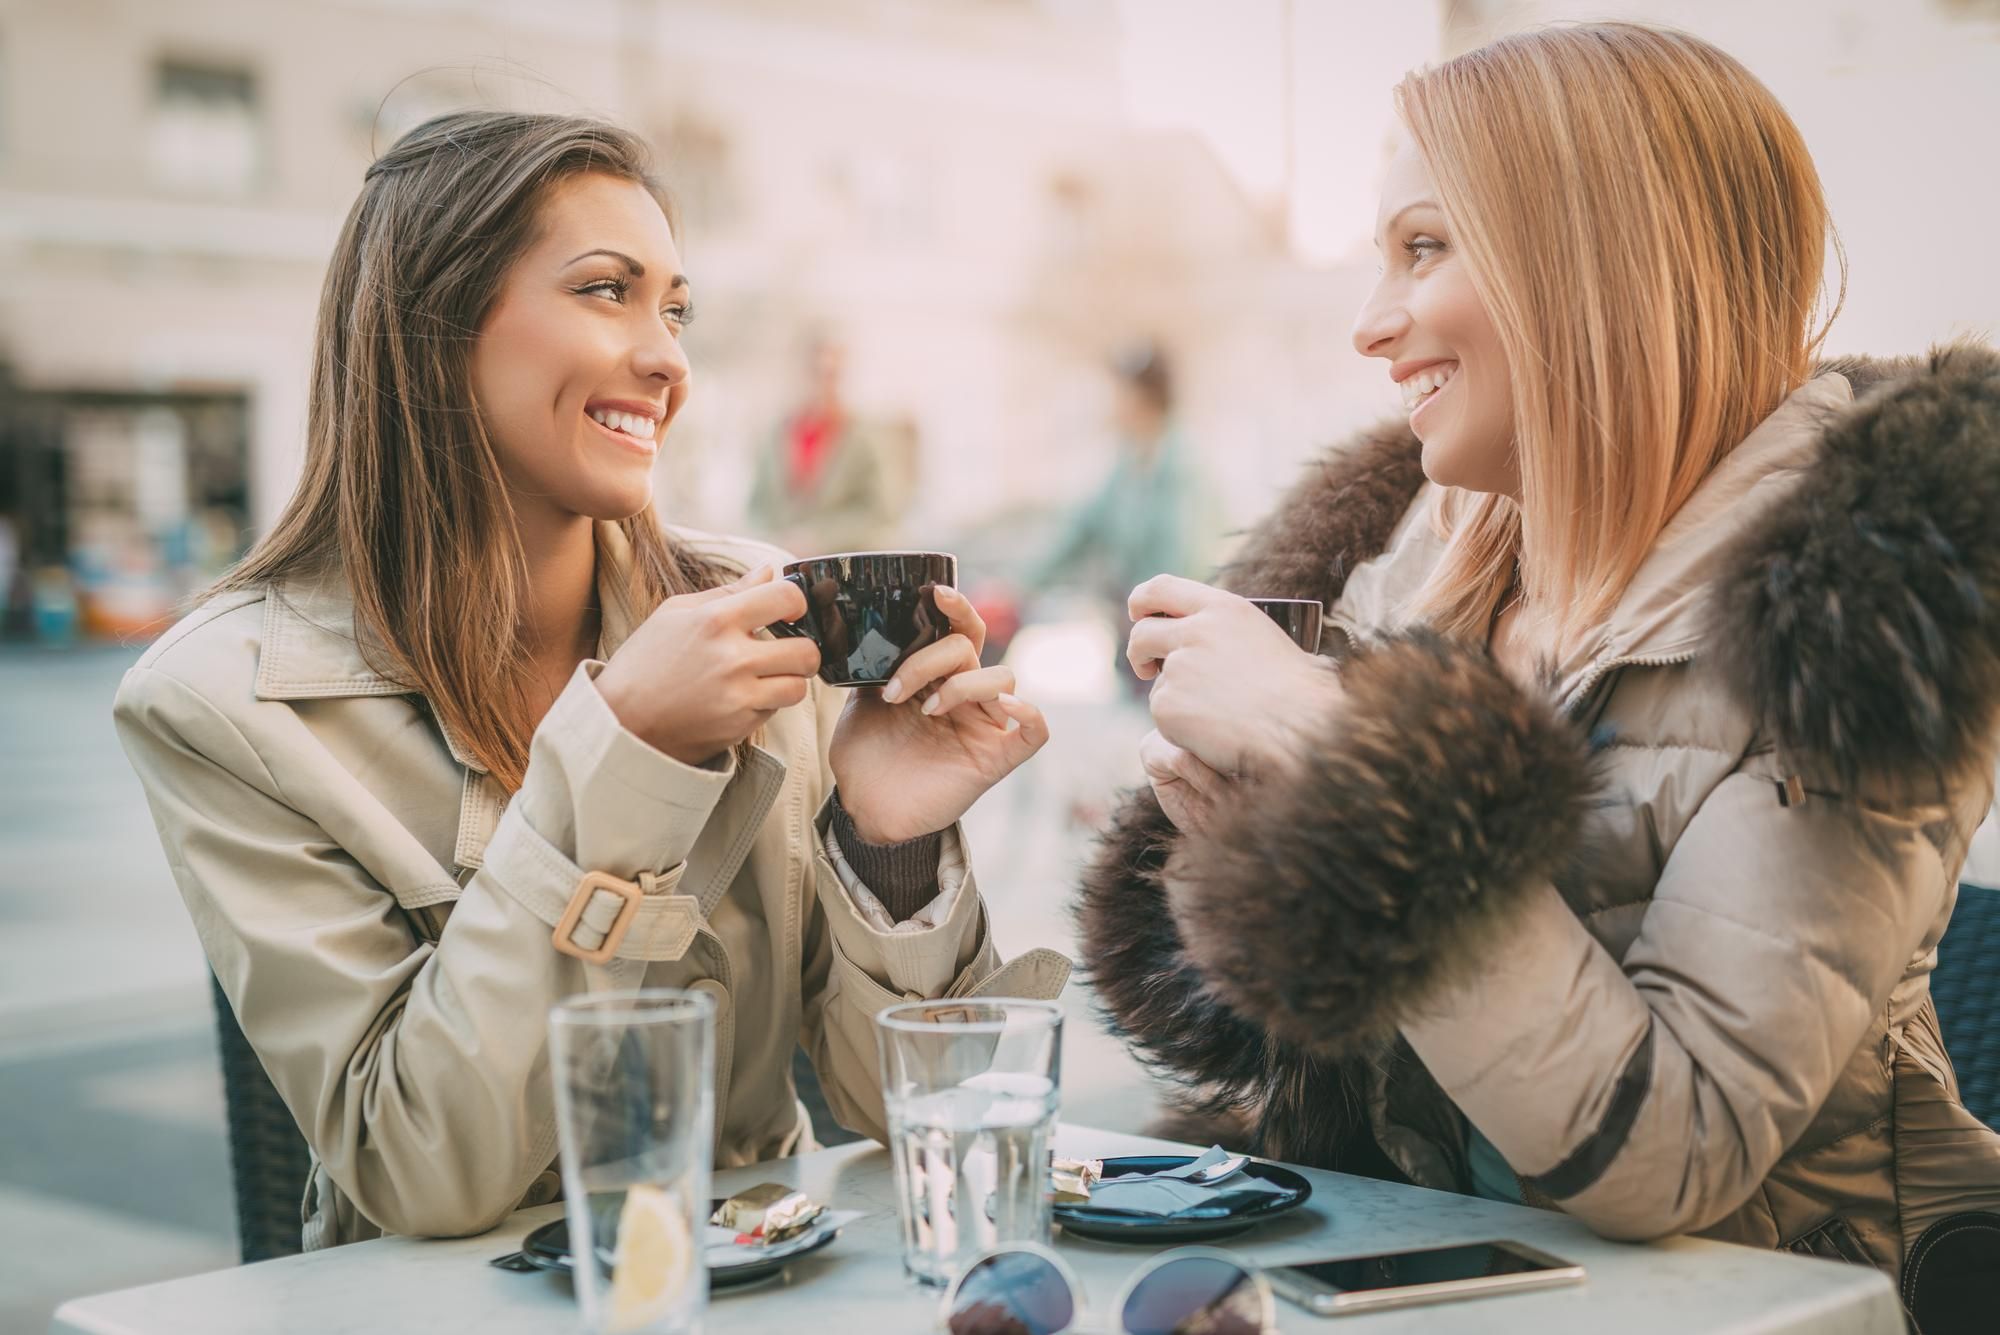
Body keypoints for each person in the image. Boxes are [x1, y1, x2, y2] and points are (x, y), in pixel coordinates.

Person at [1075, 21, 2000, 1300]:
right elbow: (1270, 1060)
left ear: (1594, 264)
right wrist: (1261, 829)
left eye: (1421, 247)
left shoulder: (1858, 612)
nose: (1367, 322)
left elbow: (1668, 1152)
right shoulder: (1401, 580)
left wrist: (1334, 754)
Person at [113, 111, 1067, 1251]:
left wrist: (888, 844)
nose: (668, 359)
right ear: (434, 322)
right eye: (606, 289)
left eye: (674, 307)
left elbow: (906, 1117)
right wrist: (628, 755)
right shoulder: (223, 704)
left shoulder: (766, 617)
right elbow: (423, 1169)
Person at [1027, 342, 1210, 604]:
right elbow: (1081, 530)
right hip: (1137, 614)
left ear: (1140, 396)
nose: (1109, 401)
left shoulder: (1181, 467)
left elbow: (1181, 559)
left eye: (1116, 390)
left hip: (1173, 619)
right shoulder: (1129, 463)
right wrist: (1019, 585)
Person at [747, 336, 910, 554]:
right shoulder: (776, 435)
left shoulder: (865, 437)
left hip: (845, 565)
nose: (823, 385)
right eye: (816, 374)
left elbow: (882, 513)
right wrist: (772, 541)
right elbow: (755, 507)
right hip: (784, 564)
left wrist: (820, 538)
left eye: (832, 375)